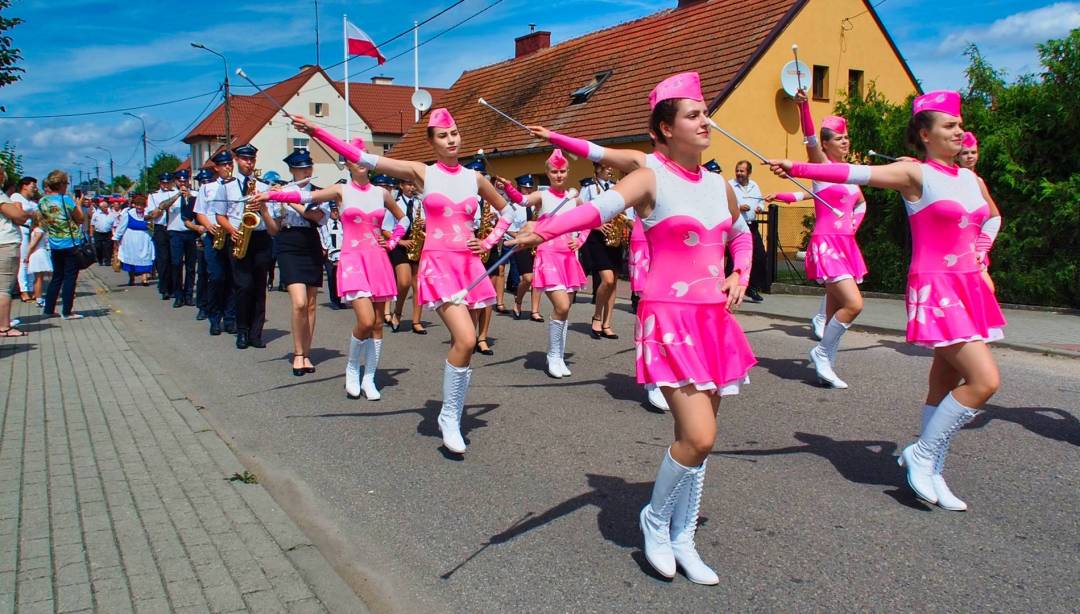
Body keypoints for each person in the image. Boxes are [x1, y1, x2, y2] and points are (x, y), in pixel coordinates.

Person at [511, 72, 755, 584]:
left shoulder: (719, 185)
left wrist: (740, 274)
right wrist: (543, 229)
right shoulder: (650, 176)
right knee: (700, 436)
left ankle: (683, 538)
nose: (705, 120)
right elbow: (598, 209)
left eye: (704, 111)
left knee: (698, 440)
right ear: (665, 129)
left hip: (713, 320)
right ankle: (656, 519)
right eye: (693, 114)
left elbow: (741, 234)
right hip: (669, 319)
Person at [770, 90, 1004, 511]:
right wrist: (796, 167)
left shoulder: (970, 179)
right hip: (938, 289)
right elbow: (853, 173)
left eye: (959, 124)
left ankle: (932, 469)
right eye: (949, 126)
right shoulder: (914, 175)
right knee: (984, 382)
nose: (960, 132)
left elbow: (989, 218)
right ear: (924, 134)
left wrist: (982, 258)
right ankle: (922, 454)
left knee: (943, 383)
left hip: (969, 286)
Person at [292, 108, 514, 454]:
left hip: (469, 266)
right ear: (432, 141)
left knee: (466, 344)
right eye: (442, 135)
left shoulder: (476, 179)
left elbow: (510, 212)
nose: (451, 139)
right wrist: (316, 131)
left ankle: (450, 413)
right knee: (467, 339)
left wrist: (486, 242)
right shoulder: (422, 173)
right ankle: (450, 417)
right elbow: (363, 157)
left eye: (454, 133)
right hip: (438, 265)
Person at [252, 137, 406, 396]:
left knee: (378, 322)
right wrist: (271, 194)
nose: (360, 161)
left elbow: (404, 219)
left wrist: (392, 242)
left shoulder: (382, 193)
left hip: (378, 259)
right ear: (347, 163)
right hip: (353, 260)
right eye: (354, 157)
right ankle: (352, 369)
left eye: (364, 156)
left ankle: (369, 378)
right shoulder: (340, 190)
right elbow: (305, 195)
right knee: (366, 320)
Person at [767, 90, 869, 389]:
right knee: (854, 304)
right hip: (827, 244)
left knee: (833, 311)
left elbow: (861, 203)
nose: (845, 141)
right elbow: (810, 139)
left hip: (846, 244)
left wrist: (853, 223)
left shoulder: (850, 175)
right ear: (826, 144)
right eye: (839, 138)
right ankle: (821, 352)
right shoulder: (822, 168)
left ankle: (825, 367)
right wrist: (804, 107)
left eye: (846, 137)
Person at [496, 149, 587, 378]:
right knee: (562, 306)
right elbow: (523, 200)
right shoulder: (543, 196)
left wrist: (580, 240)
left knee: (565, 309)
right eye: (554, 171)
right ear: (547, 172)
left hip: (568, 257)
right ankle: (553, 356)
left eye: (563, 171)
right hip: (548, 254)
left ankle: (559, 354)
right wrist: (508, 188)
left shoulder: (574, 198)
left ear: (568, 172)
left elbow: (590, 219)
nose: (559, 175)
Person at [270, 148, 329, 375]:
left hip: (310, 243)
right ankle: (297, 353)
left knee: (312, 304)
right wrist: (266, 208)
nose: (305, 170)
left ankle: (306, 353)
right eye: (300, 167)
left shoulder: (318, 193)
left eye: (308, 166)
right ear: (292, 170)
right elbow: (274, 229)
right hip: (288, 245)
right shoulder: (281, 191)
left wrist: (290, 199)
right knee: (299, 303)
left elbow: (316, 217)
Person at [212, 144, 271, 349]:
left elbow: (270, 215)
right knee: (243, 286)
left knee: (259, 287)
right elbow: (220, 215)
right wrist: (231, 231)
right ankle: (242, 330)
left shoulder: (263, 186)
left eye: (252, 160)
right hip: (239, 237)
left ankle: (257, 333)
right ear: (237, 160)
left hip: (260, 236)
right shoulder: (226, 186)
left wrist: (262, 208)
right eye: (245, 159)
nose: (249, 163)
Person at [194, 151, 239, 336]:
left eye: (230, 164)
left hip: (232, 234)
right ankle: (214, 317)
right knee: (216, 277)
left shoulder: (238, 185)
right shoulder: (207, 188)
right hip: (214, 236)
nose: (228, 167)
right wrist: (208, 226)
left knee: (232, 278)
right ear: (216, 168)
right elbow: (199, 212)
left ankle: (230, 319)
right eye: (224, 165)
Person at [579, 164, 625, 339]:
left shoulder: (615, 187)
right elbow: (581, 211)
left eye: (612, 168)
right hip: (596, 236)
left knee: (614, 281)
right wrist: (596, 225)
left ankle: (607, 323)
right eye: (606, 168)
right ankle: (597, 316)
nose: (610, 170)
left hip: (613, 235)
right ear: (597, 169)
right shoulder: (589, 187)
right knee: (607, 279)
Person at [36, 171, 87, 320]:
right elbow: (80, 219)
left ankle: (49, 309)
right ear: (60, 184)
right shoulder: (66, 200)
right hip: (70, 243)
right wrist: (78, 205)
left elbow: (41, 220)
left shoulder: (43, 201)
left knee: (57, 277)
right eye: (66, 183)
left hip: (54, 243)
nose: (67, 186)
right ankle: (67, 311)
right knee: (70, 277)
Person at [727, 161, 767, 303]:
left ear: (748, 173)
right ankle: (728, 290)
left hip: (752, 226)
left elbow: (760, 201)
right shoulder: (730, 185)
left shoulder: (754, 185)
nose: (739, 174)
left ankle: (752, 287)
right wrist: (738, 206)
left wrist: (760, 208)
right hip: (737, 226)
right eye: (737, 171)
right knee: (735, 260)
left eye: (742, 171)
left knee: (760, 257)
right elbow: (725, 202)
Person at [387, 178, 424, 331]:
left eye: (413, 184)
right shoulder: (394, 204)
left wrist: (424, 224)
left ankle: (416, 321)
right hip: (399, 244)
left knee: (418, 284)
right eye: (408, 184)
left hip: (416, 243)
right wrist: (400, 242)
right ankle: (397, 312)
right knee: (404, 282)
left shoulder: (419, 204)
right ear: (401, 186)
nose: (411, 187)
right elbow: (385, 229)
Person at [0, 165, 32, 335]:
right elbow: (19, 216)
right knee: (4, 287)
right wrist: (23, 212)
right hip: (5, 242)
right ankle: (4, 326)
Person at [166, 169, 199, 308]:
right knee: (176, 264)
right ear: (176, 182)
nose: (183, 183)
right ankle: (178, 295)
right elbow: (162, 207)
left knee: (191, 266)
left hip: (190, 232)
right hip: (175, 232)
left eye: (185, 180)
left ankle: (188, 294)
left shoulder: (195, 194)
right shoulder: (170, 194)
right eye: (180, 180)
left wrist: (189, 197)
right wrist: (178, 195)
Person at [508, 174, 539, 320]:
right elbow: (509, 228)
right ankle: (518, 301)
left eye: (529, 188)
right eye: (524, 188)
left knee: (538, 278)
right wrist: (522, 239)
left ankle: (535, 310)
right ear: (518, 188)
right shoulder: (513, 207)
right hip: (521, 245)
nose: (527, 191)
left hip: (537, 244)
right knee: (527, 278)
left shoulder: (536, 205)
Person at [147, 172, 179, 300]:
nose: (166, 185)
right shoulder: (153, 196)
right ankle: (164, 287)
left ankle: (174, 287)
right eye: (163, 183)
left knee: (175, 259)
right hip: (161, 228)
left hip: (174, 226)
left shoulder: (176, 193)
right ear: (160, 183)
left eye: (168, 182)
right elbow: (151, 213)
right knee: (163, 259)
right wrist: (158, 210)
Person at [113, 194, 156, 285]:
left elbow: (152, 228)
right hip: (130, 241)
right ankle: (131, 278)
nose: (139, 207)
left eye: (141, 205)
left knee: (145, 258)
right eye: (137, 205)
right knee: (131, 259)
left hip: (144, 240)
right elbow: (121, 227)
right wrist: (116, 238)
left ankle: (144, 279)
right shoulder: (128, 214)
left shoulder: (148, 214)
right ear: (134, 205)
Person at [12, 176, 38, 303]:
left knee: (29, 260)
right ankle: (23, 290)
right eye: (33, 186)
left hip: (30, 230)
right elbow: (18, 213)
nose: (35, 188)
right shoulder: (17, 197)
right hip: (21, 229)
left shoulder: (30, 202)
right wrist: (30, 214)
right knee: (23, 260)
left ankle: (31, 288)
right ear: (25, 186)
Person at [318, 202, 344, 309]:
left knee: (340, 278)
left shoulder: (342, 223)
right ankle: (334, 300)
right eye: (333, 211)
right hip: (329, 253)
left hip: (341, 253)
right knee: (331, 277)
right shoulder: (325, 224)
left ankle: (340, 299)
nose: (336, 213)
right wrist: (324, 248)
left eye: (337, 211)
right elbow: (322, 236)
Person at [90, 200, 116, 265]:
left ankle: (107, 261)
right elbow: (92, 224)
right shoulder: (96, 214)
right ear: (100, 208)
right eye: (104, 207)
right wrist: (91, 234)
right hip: (98, 233)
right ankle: (100, 260)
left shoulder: (111, 214)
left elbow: (114, 225)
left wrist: (114, 234)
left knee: (108, 247)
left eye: (106, 207)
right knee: (98, 247)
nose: (106, 208)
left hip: (108, 233)